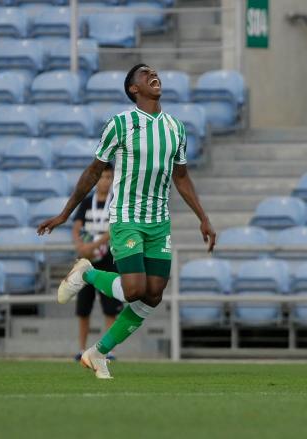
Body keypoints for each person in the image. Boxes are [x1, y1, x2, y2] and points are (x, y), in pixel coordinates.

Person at [37, 64, 216, 379]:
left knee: (154, 294)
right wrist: (65, 214)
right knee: (134, 290)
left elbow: (182, 176)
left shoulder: (176, 127)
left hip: (159, 222)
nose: (153, 74)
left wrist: (203, 218)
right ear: (134, 88)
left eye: (154, 72)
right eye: (145, 73)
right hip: (127, 217)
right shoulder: (120, 124)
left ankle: (97, 353)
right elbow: (94, 171)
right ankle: (88, 273)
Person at [71, 162, 122, 361]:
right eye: (101, 177)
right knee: (83, 307)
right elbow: (76, 227)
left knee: (110, 306)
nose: (105, 181)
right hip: (87, 260)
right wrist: (79, 246)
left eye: (109, 177)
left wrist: (93, 245)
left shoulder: (116, 203)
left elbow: (113, 229)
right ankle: (82, 349)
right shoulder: (86, 202)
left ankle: (107, 349)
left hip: (109, 259)